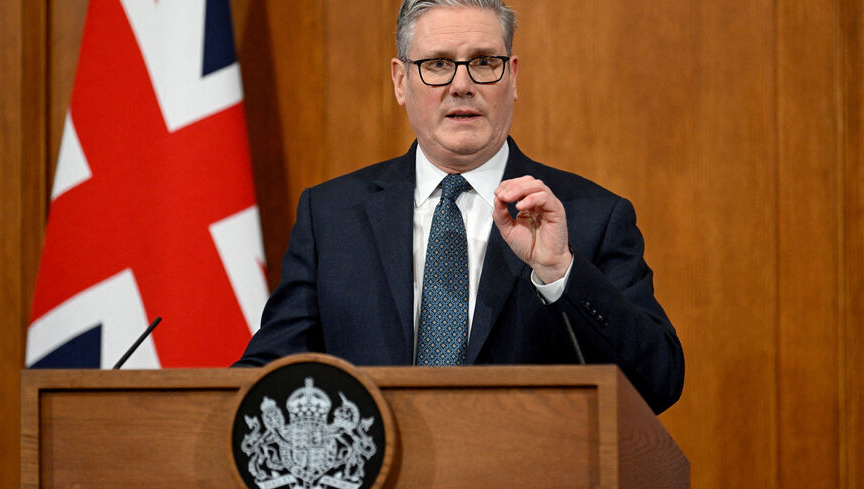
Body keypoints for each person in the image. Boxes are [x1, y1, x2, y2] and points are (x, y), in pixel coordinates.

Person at [235, 0, 684, 414]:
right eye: (437, 64)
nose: (462, 85)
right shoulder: (331, 216)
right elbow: (270, 372)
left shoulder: (591, 216)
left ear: (513, 77)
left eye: (485, 62)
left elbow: (657, 383)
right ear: (400, 80)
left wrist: (560, 272)